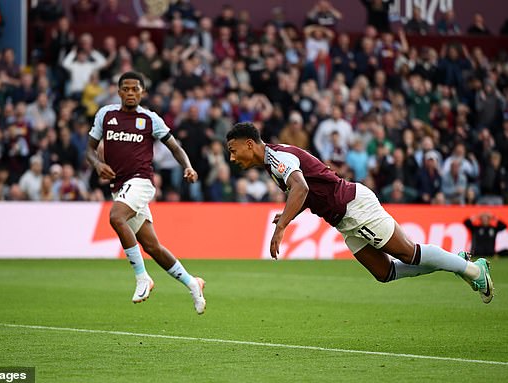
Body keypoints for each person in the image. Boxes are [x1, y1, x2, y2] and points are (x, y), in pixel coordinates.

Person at [226, 122, 494, 303]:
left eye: (233, 150)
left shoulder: (276, 158)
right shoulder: (272, 163)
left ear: (249, 143)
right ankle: (455, 262)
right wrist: (289, 214)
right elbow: (309, 191)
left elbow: (301, 187)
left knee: (409, 253)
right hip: (345, 220)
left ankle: (473, 270)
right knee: (384, 273)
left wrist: (282, 226)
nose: (232, 157)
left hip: (355, 207)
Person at [86, 71, 206, 314]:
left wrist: (188, 166)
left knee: (116, 218)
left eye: (135, 89)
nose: (130, 93)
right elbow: (89, 149)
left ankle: (142, 278)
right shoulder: (105, 115)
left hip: (141, 182)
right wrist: (98, 164)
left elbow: (175, 147)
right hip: (119, 187)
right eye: (126, 89)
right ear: (119, 92)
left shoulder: (150, 119)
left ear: (143, 92)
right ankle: (193, 283)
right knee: (152, 246)